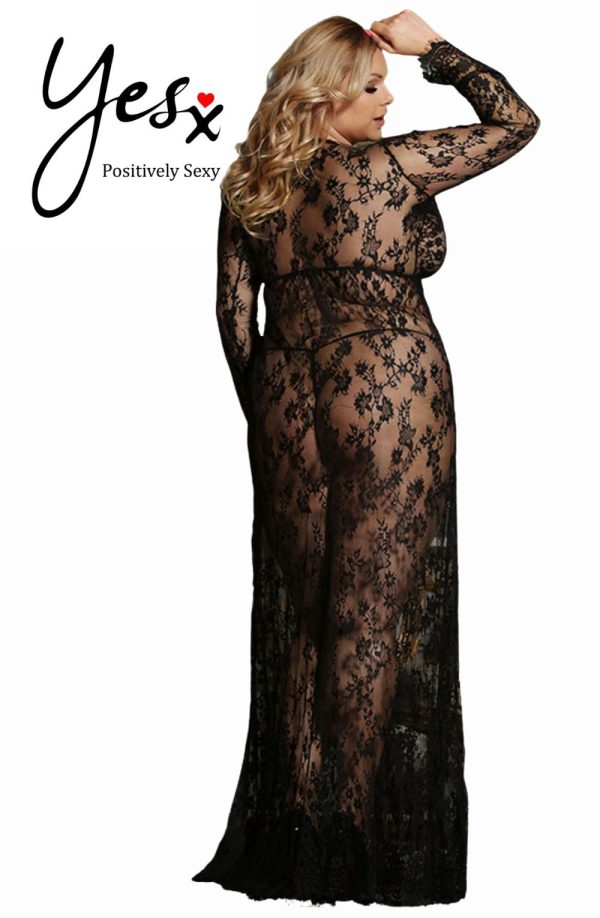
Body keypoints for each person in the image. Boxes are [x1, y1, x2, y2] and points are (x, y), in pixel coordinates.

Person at [191, 9, 540, 906]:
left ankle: (294, 840)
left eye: (390, 83)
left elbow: (232, 315)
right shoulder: (387, 169)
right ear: (328, 90)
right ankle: (347, 838)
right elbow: (516, 123)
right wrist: (434, 50)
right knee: (368, 621)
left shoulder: (250, 185)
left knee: (309, 624)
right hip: (386, 380)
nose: (389, 101)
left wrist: (265, 411)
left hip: (285, 392)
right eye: (373, 85)